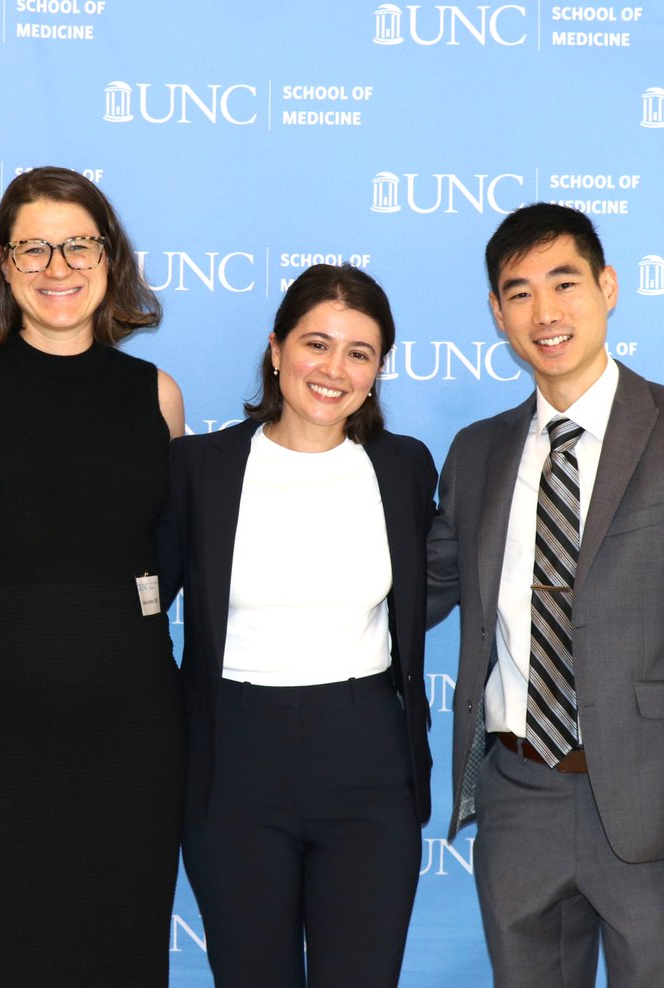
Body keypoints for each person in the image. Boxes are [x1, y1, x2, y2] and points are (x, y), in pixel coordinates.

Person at [427, 203, 664, 987]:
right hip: (518, 798)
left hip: (655, 810)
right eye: (518, 293)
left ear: (607, 287)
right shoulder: (476, 454)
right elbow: (419, 590)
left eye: (565, 283)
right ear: (496, 314)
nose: (545, 313)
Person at [0, 166, 185, 986]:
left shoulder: (156, 396)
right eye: (33, 248)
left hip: (125, 738)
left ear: (110, 256)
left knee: (113, 958)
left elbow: (165, 561)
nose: (57, 267)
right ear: (1, 261)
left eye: (77, 244)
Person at [158, 264, 437, 987]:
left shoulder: (404, 468)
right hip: (234, 760)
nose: (333, 369)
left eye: (359, 353)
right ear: (276, 349)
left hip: (369, 758)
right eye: (316, 344)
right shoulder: (198, 468)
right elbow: (141, 605)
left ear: (377, 372)